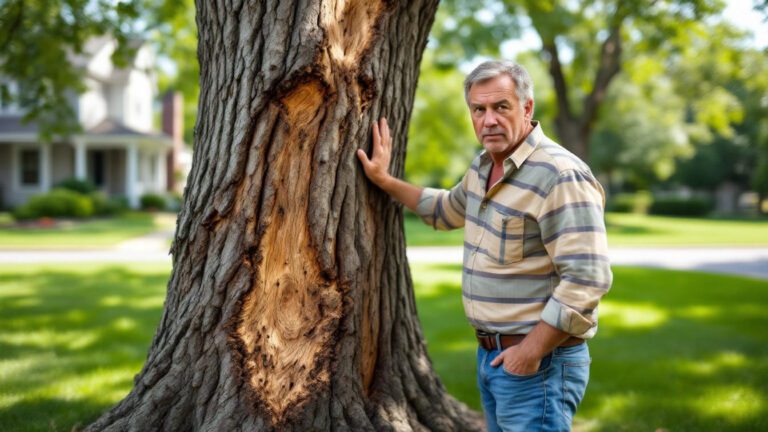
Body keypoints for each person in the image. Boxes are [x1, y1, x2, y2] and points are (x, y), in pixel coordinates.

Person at [357, 60, 612, 432]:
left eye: (501, 107)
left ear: (527, 108)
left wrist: (530, 352)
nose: (489, 120)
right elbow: (444, 209)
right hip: (493, 359)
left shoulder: (559, 174)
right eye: (479, 109)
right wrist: (383, 180)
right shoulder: (482, 168)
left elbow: (587, 279)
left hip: (539, 364)